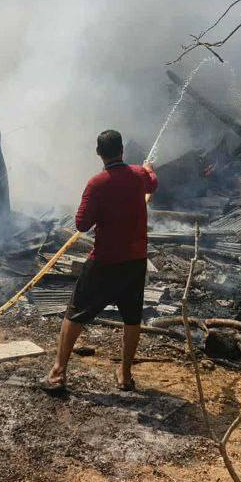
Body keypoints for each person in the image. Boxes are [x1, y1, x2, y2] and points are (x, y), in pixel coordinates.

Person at [45, 129, 157, 392]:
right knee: (132, 318)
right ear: (122, 150)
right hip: (135, 261)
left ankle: (58, 373)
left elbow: (81, 224)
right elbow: (152, 183)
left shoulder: (97, 183)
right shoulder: (138, 175)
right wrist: (149, 169)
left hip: (105, 260)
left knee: (75, 313)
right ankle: (125, 375)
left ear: (98, 152)